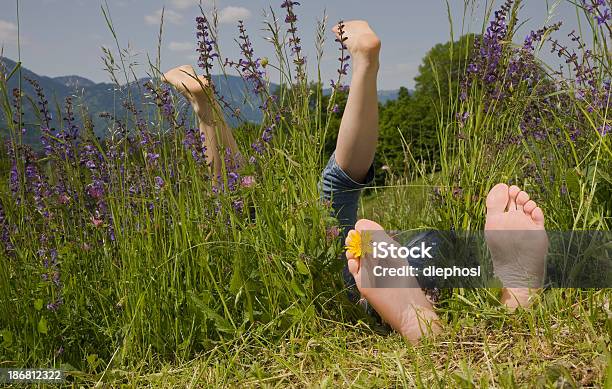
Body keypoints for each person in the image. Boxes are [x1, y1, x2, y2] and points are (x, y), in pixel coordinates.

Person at [163, 20, 549, 345]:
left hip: (381, 273)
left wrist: (205, 107)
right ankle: (514, 294)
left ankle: (418, 314)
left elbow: (238, 194)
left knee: (269, 208)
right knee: (370, 213)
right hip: (426, 257)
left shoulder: (339, 255)